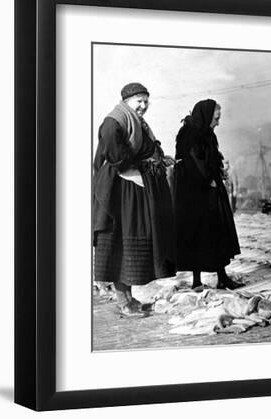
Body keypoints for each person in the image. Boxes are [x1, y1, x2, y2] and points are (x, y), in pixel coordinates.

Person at [92, 82, 176, 316]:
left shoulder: (137, 122)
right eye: (139, 100)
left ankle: (129, 297)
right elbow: (114, 154)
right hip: (120, 190)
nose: (143, 105)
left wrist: (159, 158)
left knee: (131, 239)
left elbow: (146, 148)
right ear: (127, 101)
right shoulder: (115, 120)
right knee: (121, 239)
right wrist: (135, 173)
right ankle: (123, 300)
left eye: (146, 100)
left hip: (132, 188)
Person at [173, 99, 243, 291]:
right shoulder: (190, 133)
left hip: (209, 188)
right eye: (216, 118)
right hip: (194, 193)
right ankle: (197, 280)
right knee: (198, 232)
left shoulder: (207, 134)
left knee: (216, 232)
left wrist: (218, 171)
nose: (218, 122)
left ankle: (221, 277)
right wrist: (208, 180)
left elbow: (210, 158)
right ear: (206, 115)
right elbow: (192, 160)